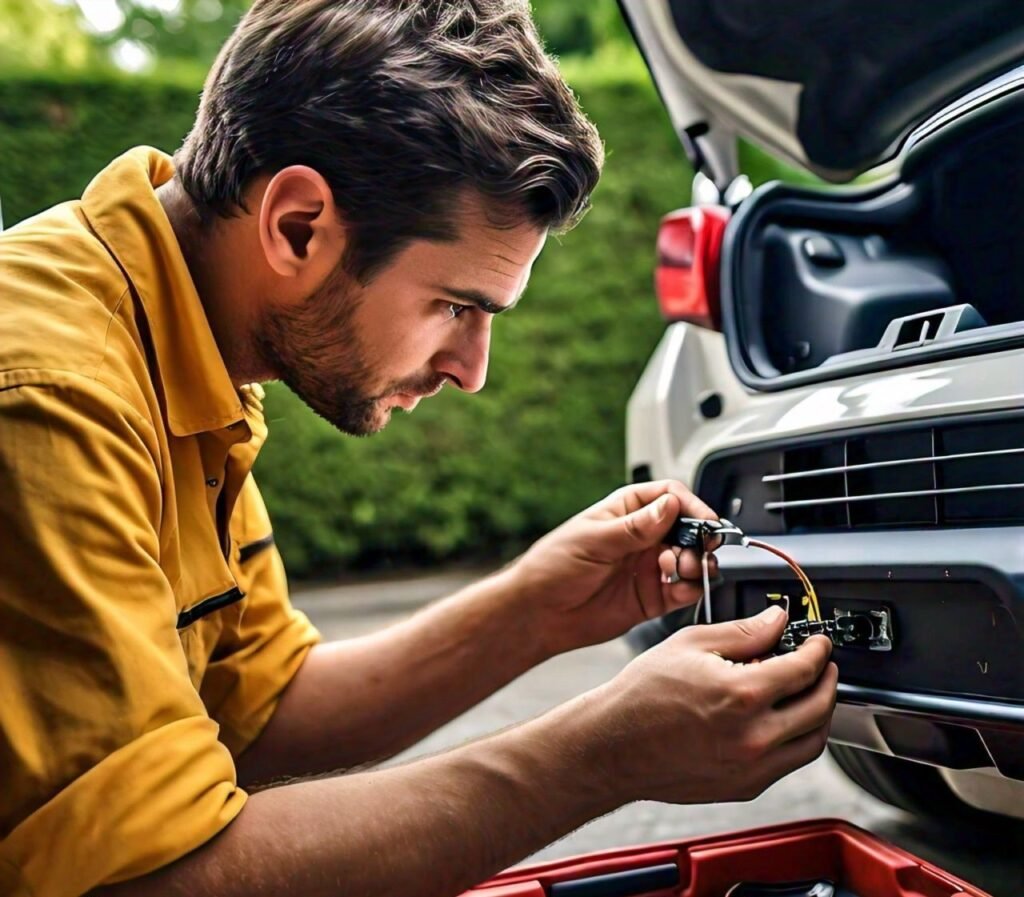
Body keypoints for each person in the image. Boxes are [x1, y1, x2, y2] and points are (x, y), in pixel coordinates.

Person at [0, 2, 837, 895]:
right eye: (455, 305)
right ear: (298, 226)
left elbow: (257, 712)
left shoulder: (179, 339)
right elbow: (149, 878)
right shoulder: (53, 389)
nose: (472, 371)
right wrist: (596, 758)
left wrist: (536, 607)